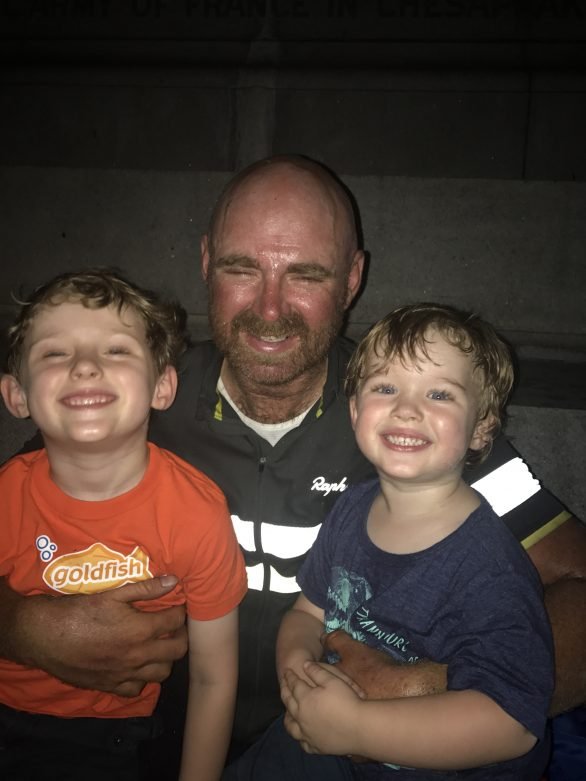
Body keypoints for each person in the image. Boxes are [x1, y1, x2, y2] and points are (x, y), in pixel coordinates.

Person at [0, 156, 584, 776]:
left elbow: (577, 578)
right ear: (206, 262)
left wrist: (425, 692)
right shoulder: (132, 397)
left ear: (352, 279)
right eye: (242, 268)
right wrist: (19, 627)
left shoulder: (410, 417)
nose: (271, 308)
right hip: (145, 745)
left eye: (306, 273)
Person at [223, 302, 554, 780]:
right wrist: (299, 675)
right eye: (385, 388)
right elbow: (307, 614)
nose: (406, 408)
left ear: (482, 426)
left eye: (439, 394)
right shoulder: (351, 509)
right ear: (356, 409)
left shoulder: (489, 566)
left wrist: (356, 727)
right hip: (328, 735)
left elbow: (511, 725)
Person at [0, 269, 247, 781]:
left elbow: (213, 679)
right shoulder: (5, 494)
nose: (85, 366)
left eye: (116, 350)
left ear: (162, 386)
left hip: (110, 737)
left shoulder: (197, 513)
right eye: (54, 353)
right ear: (16, 395)